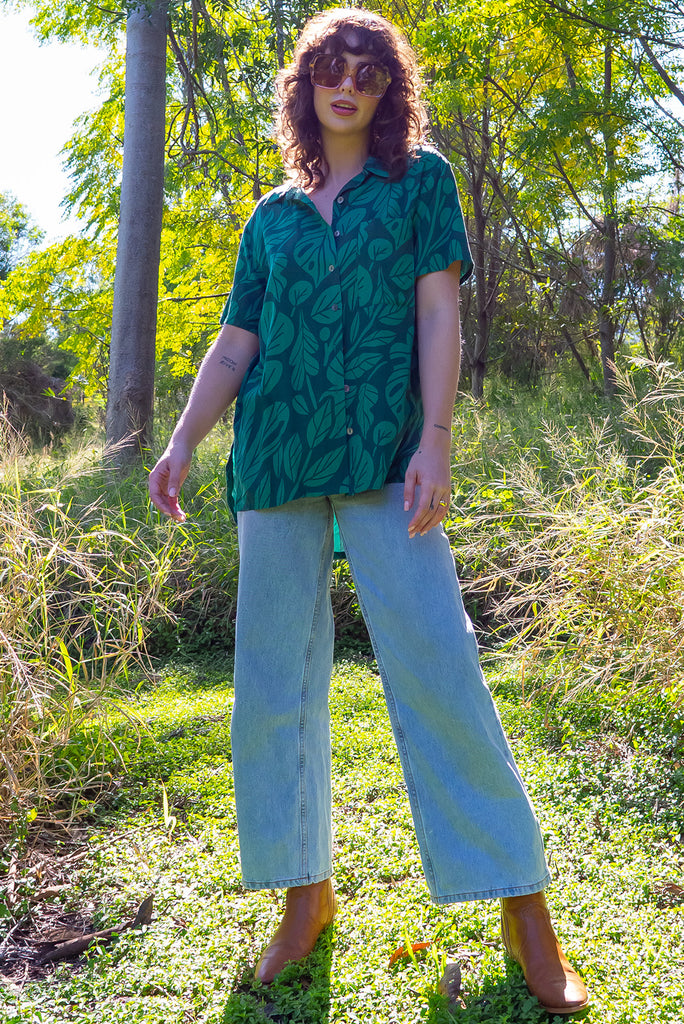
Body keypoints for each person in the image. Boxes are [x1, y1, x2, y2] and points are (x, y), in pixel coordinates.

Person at [149, 8, 589, 1015]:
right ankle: (305, 895)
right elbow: (234, 343)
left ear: (389, 92)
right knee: (271, 684)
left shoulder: (422, 183)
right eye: (330, 71)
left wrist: (436, 436)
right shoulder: (271, 216)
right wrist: (182, 440)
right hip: (276, 462)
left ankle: (522, 903)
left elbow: (440, 308)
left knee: (438, 663)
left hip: (390, 455)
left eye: (368, 73)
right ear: (304, 85)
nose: (348, 86)